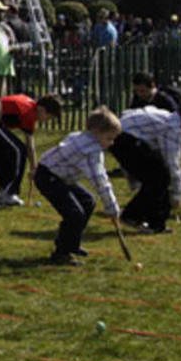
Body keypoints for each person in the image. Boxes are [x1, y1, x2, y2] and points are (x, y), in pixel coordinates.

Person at [34, 108, 123, 266]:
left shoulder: (80, 136)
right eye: (109, 138)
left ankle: (71, 244)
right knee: (74, 214)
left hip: (58, 175)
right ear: (96, 132)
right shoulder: (89, 151)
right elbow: (100, 182)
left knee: (88, 201)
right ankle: (61, 253)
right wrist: (112, 208)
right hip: (48, 177)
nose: (112, 143)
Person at [108, 101, 181, 234]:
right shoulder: (172, 127)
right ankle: (133, 216)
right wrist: (176, 194)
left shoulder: (166, 117)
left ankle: (155, 223)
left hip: (122, 135)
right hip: (124, 139)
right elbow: (172, 163)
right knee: (159, 177)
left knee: (159, 176)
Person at [0, 94, 62, 206]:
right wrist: (34, 168)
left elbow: (30, 142)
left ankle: (3, 193)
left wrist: (34, 168)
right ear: (42, 110)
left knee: (5, 157)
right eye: (49, 117)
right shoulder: (28, 112)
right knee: (19, 151)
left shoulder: (30, 107)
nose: (47, 120)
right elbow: (29, 146)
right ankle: (9, 193)